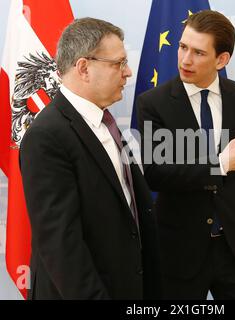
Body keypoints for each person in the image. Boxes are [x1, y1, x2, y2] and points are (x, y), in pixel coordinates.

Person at [137, 10, 235, 300]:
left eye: (198, 52)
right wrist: (220, 165)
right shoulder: (153, 103)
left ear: (222, 59)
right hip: (179, 254)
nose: (185, 60)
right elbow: (157, 173)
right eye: (182, 47)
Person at [19, 17, 161, 300]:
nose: (128, 72)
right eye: (119, 63)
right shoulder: (46, 136)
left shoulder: (105, 121)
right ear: (84, 67)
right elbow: (61, 246)